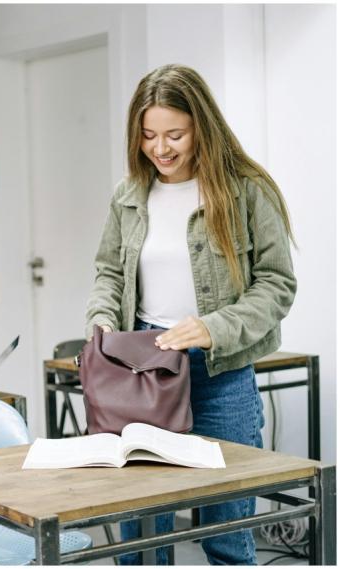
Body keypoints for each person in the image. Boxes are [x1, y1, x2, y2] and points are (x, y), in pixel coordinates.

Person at [85, 64, 296, 565]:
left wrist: (212, 328)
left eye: (175, 134)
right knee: (141, 530)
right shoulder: (129, 194)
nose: (161, 149)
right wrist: (102, 320)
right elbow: (109, 273)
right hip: (143, 371)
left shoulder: (246, 188)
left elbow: (278, 284)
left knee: (227, 527)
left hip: (220, 373)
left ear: (202, 125)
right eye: (149, 136)